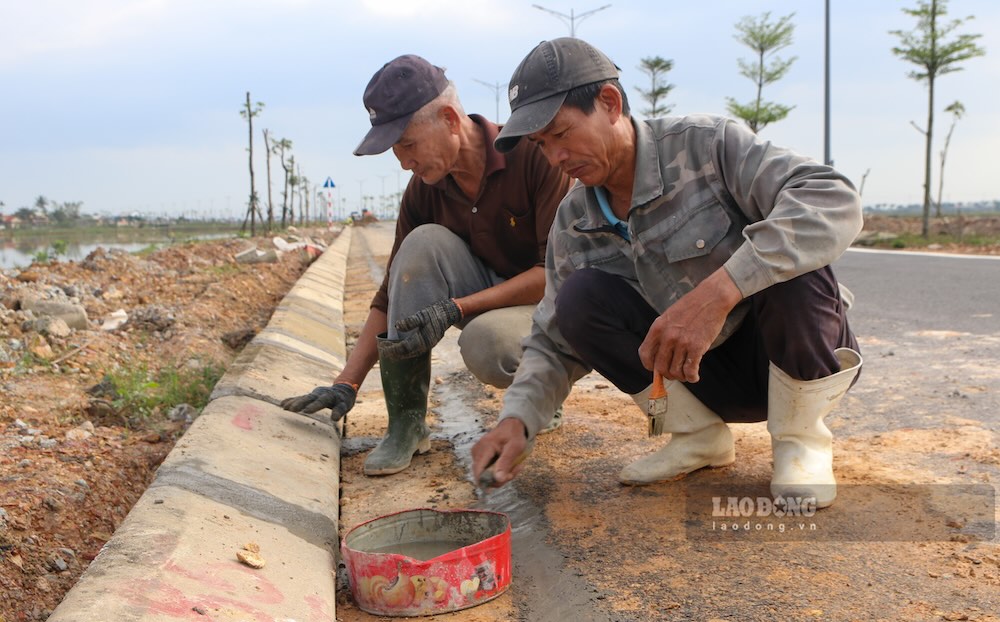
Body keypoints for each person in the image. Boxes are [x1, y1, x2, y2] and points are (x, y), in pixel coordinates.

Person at [471, 38, 863, 509]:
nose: (555, 157)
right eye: (541, 145)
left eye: (561, 133)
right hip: (700, 381)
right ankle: (697, 436)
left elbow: (832, 198)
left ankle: (802, 441)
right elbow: (552, 341)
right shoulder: (574, 221)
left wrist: (719, 293)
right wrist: (517, 420)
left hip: (786, 359)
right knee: (579, 298)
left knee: (795, 258)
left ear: (609, 103)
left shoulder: (708, 146)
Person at [282, 54, 571, 476]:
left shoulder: (532, 155)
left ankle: (543, 394)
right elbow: (388, 299)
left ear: (451, 119)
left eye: (408, 144)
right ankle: (406, 425)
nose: (403, 162)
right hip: (487, 298)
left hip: (550, 308)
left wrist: (459, 308)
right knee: (419, 246)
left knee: (485, 342)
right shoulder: (424, 191)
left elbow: (553, 275)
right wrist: (347, 382)